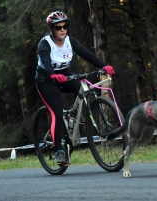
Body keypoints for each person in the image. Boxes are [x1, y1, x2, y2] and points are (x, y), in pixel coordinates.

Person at [35, 11, 115, 165]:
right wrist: (52, 75)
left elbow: (87, 54)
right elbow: (45, 61)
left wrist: (103, 65)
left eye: (65, 26)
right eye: (58, 27)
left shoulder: (70, 41)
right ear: (52, 29)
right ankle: (59, 151)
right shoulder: (44, 44)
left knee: (81, 85)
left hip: (64, 76)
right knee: (56, 115)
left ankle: (77, 116)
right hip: (46, 80)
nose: (62, 29)